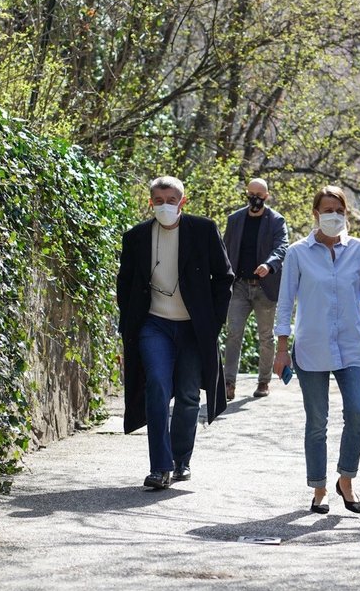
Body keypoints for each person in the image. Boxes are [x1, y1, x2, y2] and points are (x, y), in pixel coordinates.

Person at [273, 185, 360, 515]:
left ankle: (346, 479)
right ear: (315, 214)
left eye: (339, 210)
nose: (333, 215)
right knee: (317, 421)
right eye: (327, 210)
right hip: (311, 347)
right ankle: (319, 488)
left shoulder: (358, 250)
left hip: (352, 345)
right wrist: (281, 349)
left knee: (356, 413)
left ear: (345, 213)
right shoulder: (297, 253)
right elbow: (284, 304)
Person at [116, 176, 234, 490]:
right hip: (154, 325)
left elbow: (224, 278)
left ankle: (181, 460)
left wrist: (213, 322)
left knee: (187, 396)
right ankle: (160, 466)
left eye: (171, 200)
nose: (165, 206)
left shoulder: (203, 230)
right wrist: (127, 326)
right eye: (158, 200)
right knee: (155, 385)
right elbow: (125, 284)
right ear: (150, 202)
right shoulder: (137, 237)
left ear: (182, 202)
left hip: (194, 328)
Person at [222, 178, 289, 400]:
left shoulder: (276, 221)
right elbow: (224, 250)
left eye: (260, 195)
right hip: (239, 285)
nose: (255, 198)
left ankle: (263, 382)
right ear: (246, 194)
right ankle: (228, 383)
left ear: (267, 196)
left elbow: (282, 247)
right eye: (251, 193)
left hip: (264, 287)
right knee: (234, 334)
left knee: (266, 336)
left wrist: (269, 265)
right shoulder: (235, 219)